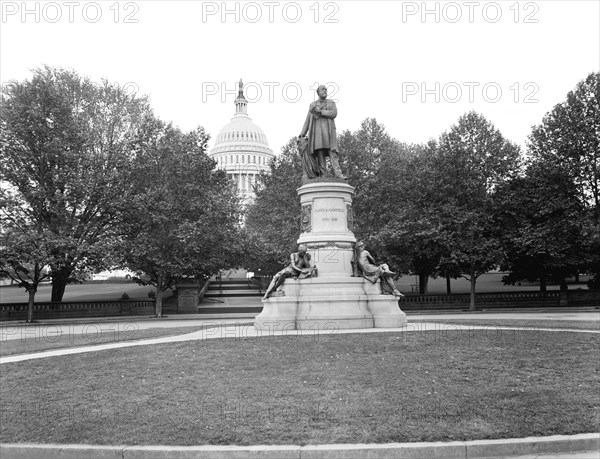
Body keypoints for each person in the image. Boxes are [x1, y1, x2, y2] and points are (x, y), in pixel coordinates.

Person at [299, 85, 346, 179]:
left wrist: (320, 112)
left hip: (329, 132)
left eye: (326, 89)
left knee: (333, 152)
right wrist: (302, 133)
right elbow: (307, 121)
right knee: (320, 153)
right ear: (318, 92)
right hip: (317, 134)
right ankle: (323, 174)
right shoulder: (312, 105)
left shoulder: (331, 103)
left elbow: (333, 113)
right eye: (323, 89)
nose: (325, 91)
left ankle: (338, 173)